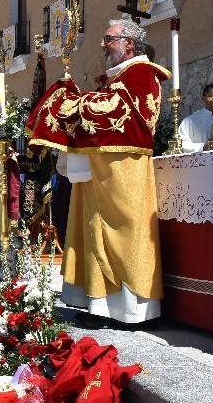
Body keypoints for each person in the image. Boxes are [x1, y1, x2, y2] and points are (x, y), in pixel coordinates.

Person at [26, 17, 170, 324]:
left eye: (110, 39)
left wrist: (74, 102)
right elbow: (105, 104)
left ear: (129, 44)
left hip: (124, 169)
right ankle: (100, 304)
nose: (103, 44)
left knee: (124, 233)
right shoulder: (119, 77)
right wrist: (75, 98)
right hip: (102, 165)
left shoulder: (142, 73)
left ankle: (132, 309)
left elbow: (117, 112)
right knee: (92, 230)